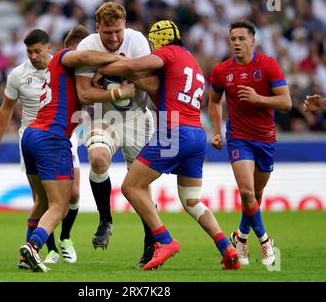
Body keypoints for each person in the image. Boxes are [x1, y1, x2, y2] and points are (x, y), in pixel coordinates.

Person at [93, 20, 240, 271]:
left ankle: (164, 240)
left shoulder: (166, 53)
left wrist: (104, 67)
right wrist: (135, 78)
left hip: (174, 130)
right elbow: (155, 86)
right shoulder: (190, 60)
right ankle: (227, 248)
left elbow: (132, 65)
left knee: (131, 186)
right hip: (196, 133)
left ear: (157, 41)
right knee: (192, 201)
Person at [19, 25, 135, 272]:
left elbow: (88, 91)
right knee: (58, 206)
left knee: (41, 200)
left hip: (32, 135)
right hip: (51, 138)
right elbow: (82, 57)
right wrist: (119, 59)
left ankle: (24, 256)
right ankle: (33, 247)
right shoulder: (67, 56)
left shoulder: (65, 72)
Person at [0, 29, 79, 267]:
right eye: (29, 52)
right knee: (45, 198)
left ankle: (59, 241)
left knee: (71, 194)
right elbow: (5, 108)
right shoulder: (18, 74)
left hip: (62, 136)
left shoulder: (64, 66)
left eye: (37, 51)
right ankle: (46, 248)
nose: (33, 56)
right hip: (33, 137)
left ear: (49, 47)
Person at [75, 1, 157, 268]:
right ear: (97, 27)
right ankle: (105, 219)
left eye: (118, 31)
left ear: (125, 26)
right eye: (107, 32)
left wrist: (109, 69)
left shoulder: (137, 41)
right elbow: (85, 94)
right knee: (98, 158)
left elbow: (150, 83)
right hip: (100, 116)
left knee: (142, 186)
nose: (114, 37)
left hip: (137, 117)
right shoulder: (86, 46)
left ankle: (151, 246)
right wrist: (119, 89)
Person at [208, 20, 292, 266]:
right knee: (246, 192)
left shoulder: (268, 65)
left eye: (241, 38)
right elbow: (213, 102)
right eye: (232, 38)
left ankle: (241, 237)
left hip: (265, 138)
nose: (236, 43)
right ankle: (266, 242)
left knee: (255, 194)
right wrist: (216, 131)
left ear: (253, 41)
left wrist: (258, 99)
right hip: (238, 138)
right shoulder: (222, 70)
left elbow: (286, 102)